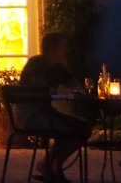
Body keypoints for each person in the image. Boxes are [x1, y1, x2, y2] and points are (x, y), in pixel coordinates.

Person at [19, 32, 93, 182]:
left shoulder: (59, 67)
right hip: (31, 116)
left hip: (47, 113)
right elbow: (38, 91)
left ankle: (50, 164)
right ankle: (51, 166)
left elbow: (75, 85)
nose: (66, 49)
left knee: (83, 128)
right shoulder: (36, 65)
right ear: (53, 48)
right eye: (62, 46)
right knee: (75, 129)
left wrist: (77, 91)